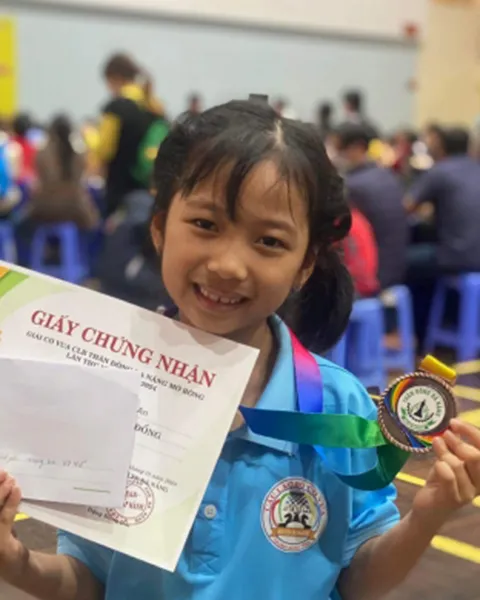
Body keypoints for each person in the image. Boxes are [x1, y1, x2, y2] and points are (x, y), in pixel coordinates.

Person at [0, 101, 479, 600]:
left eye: (269, 241)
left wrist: (429, 514)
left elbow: (359, 579)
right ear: (160, 229)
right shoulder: (107, 385)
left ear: (305, 264)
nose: (228, 265)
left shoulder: (337, 408)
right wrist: (15, 559)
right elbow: (88, 580)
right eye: (206, 224)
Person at [331, 123, 408, 290]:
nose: (334, 155)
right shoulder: (388, 175)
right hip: (398, 270)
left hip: (373, 277)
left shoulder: (353, 187)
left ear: (357, 147)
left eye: (338, 149)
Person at [98, 52, 167, 216]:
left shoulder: (116, 108)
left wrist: (89, 136)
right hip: (149, 189)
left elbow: (104, 151)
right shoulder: (155, 108)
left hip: (119, 191)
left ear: (115, 78)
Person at [27, 115, 99, 229]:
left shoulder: (42, 154)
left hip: (45, 207)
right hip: (74, 207)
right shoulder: (78, 156)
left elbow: (39, 182)